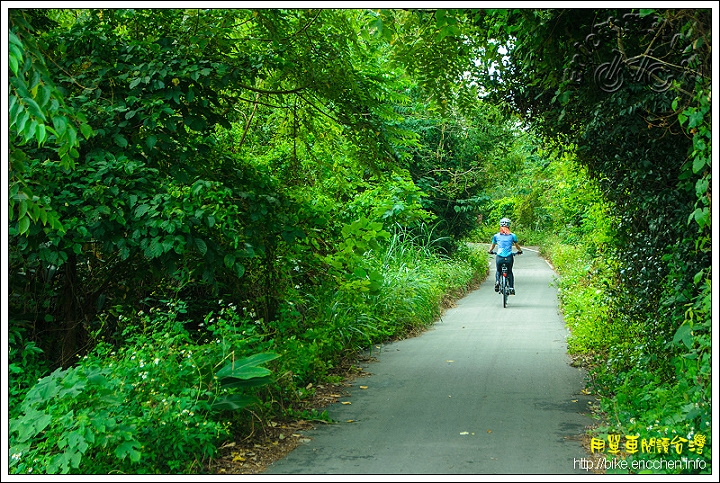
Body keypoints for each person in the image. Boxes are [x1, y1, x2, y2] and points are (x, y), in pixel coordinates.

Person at [488, 217, 523, 294]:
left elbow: (492, 246)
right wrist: (519, 251)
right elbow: (517, 246)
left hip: (499, 257)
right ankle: (511, 288)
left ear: (500, 226)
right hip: (509, 257)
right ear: (509, 226)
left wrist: (490, 251)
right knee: (509, 272)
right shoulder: (513, 236)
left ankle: (497, 281)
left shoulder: (496, 236)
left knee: (498, 270)